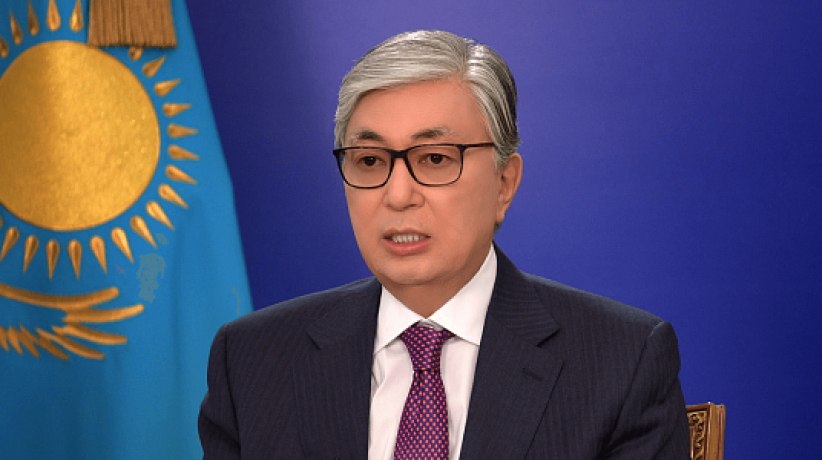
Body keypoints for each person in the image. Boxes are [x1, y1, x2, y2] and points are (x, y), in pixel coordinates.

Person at [199, 30, 690, 459]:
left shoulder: (622, 363)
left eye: (434, 158)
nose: (398, 195)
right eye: (369, 161)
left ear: (504, 182)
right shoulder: (250, 359)